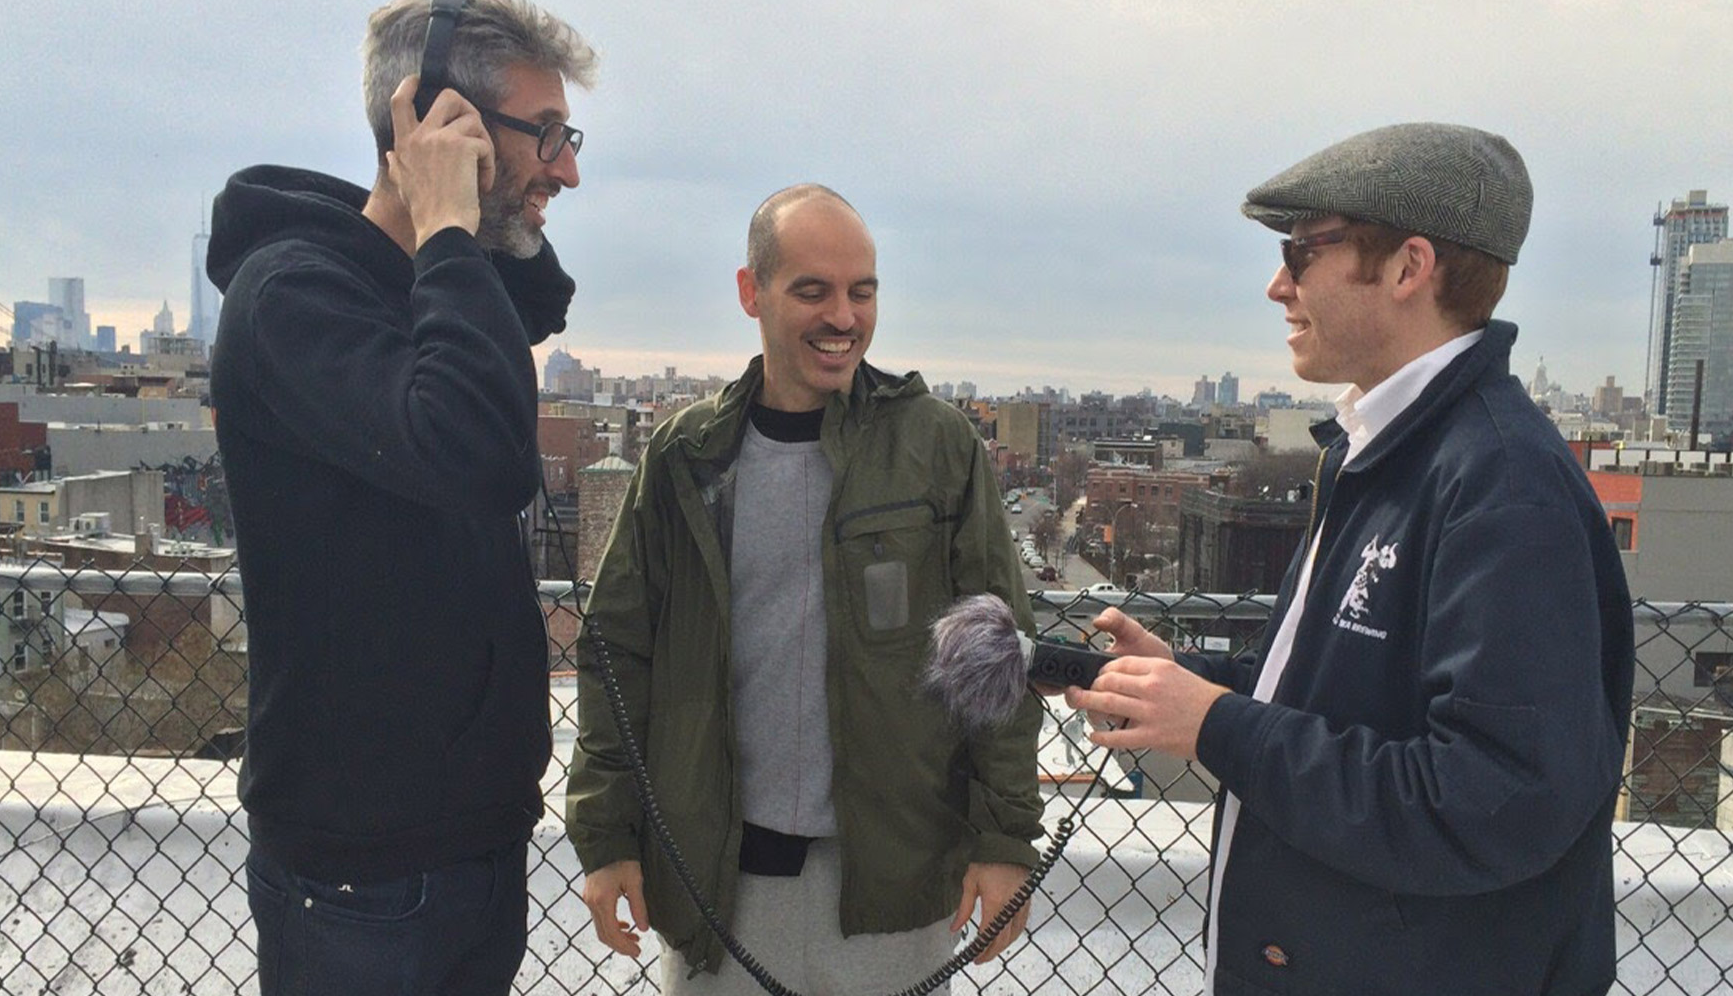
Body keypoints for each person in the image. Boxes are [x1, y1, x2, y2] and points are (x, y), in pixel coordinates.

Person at [1067, 123, 1635, 995]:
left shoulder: (1500, 484)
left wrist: (1218, 724)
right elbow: (1355, 696)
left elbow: (1491, 801)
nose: (1277, 284)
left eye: (1303, 252)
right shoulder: (1386, 452)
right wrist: (1193, 681)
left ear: (1409, 268)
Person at [207, 0, 595, 995]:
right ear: (430, 124)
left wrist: (453, 231)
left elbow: (541, 296)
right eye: (546, 133)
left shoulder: (428, 281)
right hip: (358, 875)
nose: (568, 167)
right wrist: (452, 228)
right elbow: (472, 452)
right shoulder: (292, 295)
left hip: (472, 839)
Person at [566, 184, 1045, 994]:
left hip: (891, 884)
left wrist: (1003, 842)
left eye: (862, 291)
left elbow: (997, 656)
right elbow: (619, 651)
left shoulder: (935, 445)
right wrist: (607, 836)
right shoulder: (688, 456)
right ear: (752, 292)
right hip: (718, 880)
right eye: (812, 290)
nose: (843, 316)